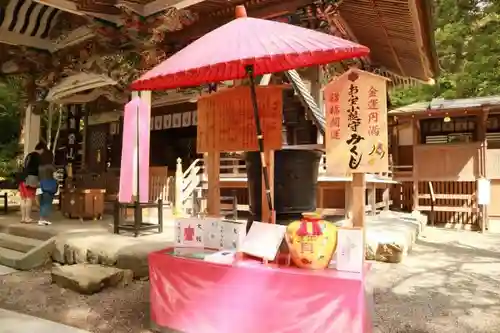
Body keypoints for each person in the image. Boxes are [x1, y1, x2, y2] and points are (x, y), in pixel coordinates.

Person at [19, 142, 45, 223]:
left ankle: (23, 218)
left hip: (23, 178)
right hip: (31, 179)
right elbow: (40, 170)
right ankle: (27, 218)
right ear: (41, 149)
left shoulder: (29, 155)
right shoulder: (38, 157)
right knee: (29, 198)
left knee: (23, 199)